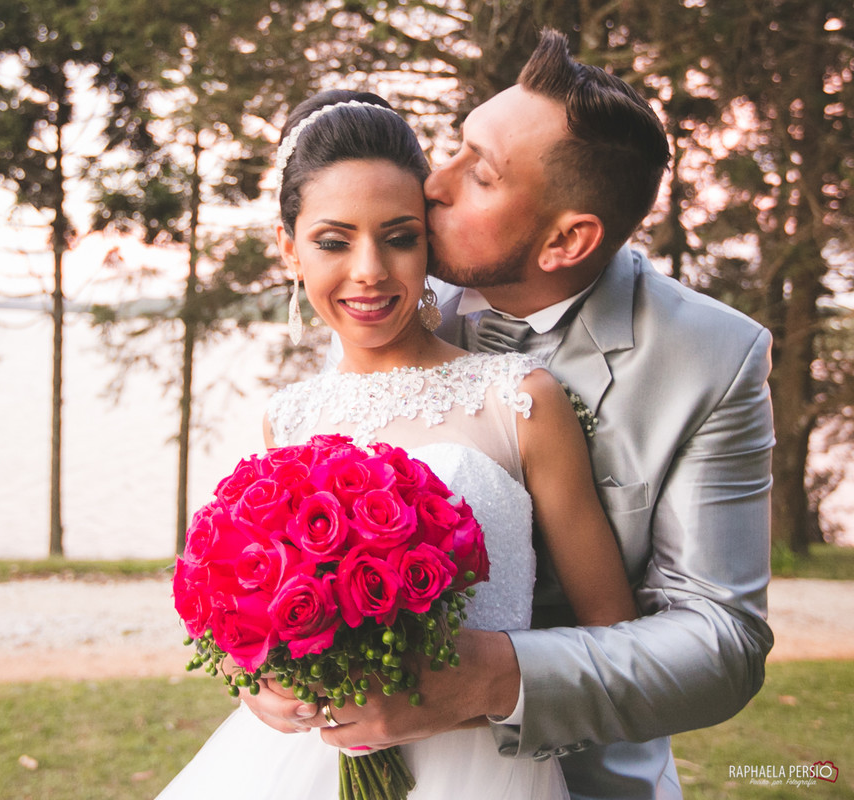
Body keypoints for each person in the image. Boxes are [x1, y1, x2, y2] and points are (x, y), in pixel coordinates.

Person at [263, 29, 775, 800]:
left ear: (567, 238)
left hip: (576, 776)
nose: (434, 183)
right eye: (457, 147)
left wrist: (492, 680)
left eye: (482, 175)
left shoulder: (713, 359)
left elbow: (722, 642)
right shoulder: (394, 294)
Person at [157, 88, 639, 799]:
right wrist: (255, 684)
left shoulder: (519, 400)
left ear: (428, 241)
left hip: (484, 773)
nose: (370, 270)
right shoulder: (288, 418)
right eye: (333, 239)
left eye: (399, 235)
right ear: (289, 248)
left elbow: (615, 643)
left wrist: (474, 694)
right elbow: (246, 621)